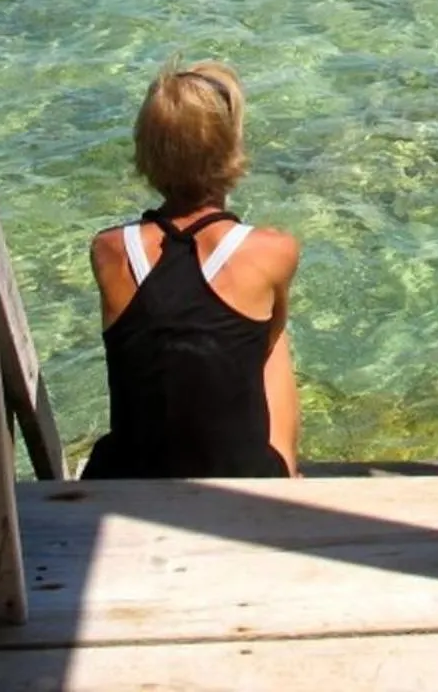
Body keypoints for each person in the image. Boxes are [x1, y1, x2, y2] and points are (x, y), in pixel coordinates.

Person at [83, 60, 301, 479]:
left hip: (129, 477)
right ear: (230, 150)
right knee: (272, 338)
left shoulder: (109, 250)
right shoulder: (274, 250)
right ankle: (287, 478)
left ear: (147, 150)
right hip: (241, 479)